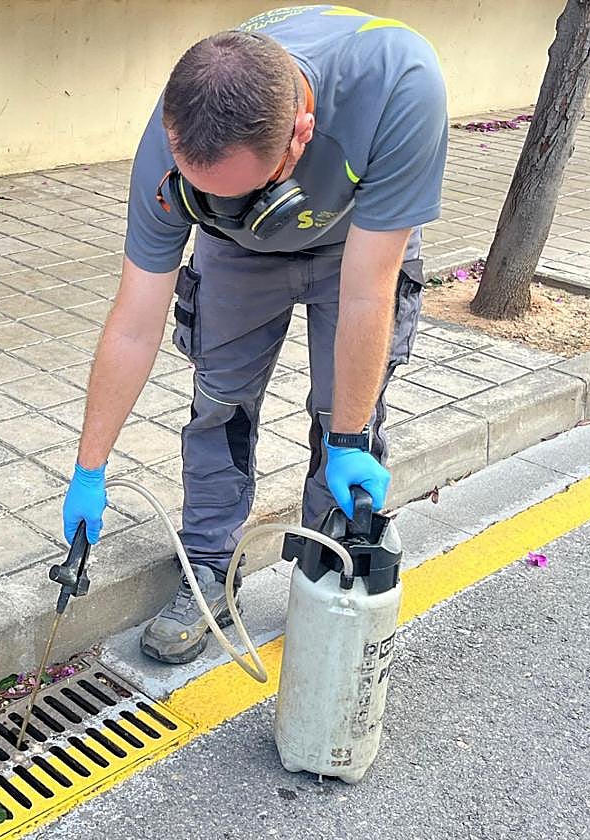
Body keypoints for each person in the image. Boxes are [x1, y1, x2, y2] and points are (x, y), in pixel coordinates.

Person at [60, 5, 449, 664]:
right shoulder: (171, 135)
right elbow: (133, 320)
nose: (229, 208)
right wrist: (88, 469)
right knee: (220, 408)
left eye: (246, 193)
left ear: (304, 133)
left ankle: (326, 571)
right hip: (233, 259)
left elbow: (366, 291)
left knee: (343, 418)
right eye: (205, 192)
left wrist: (351, 438)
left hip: (357, 246)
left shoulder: (399, 80)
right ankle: (209, 571)